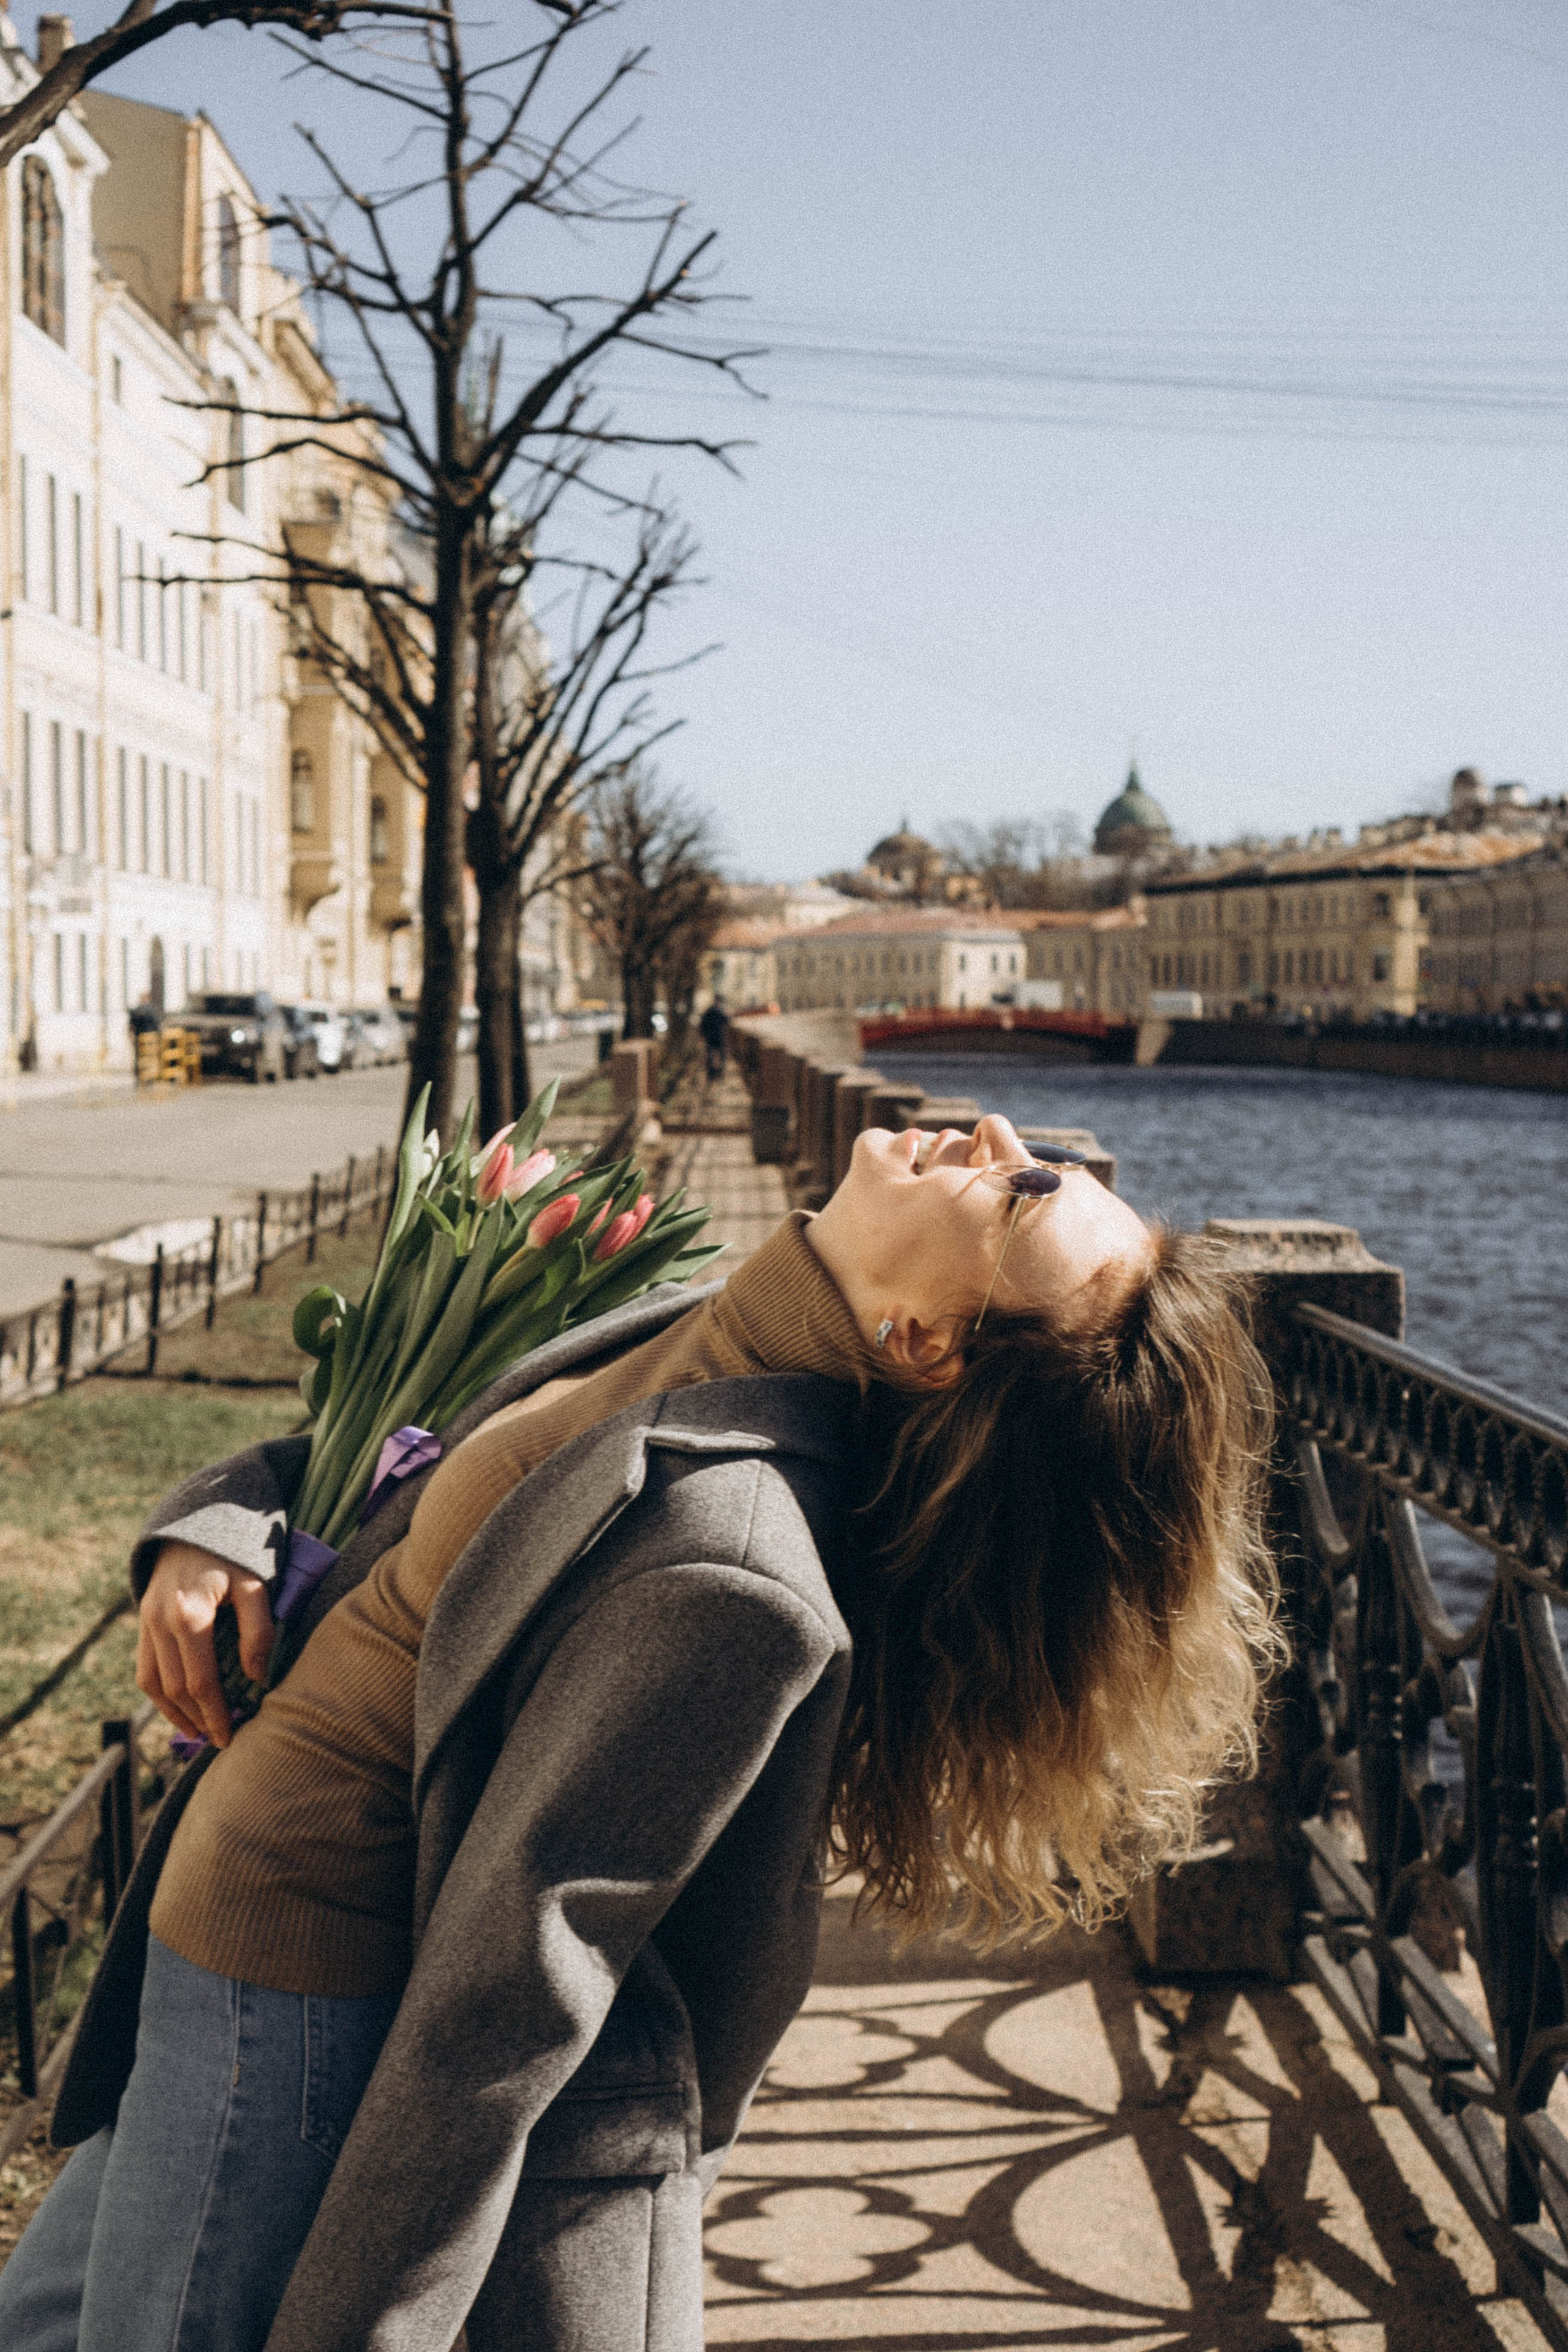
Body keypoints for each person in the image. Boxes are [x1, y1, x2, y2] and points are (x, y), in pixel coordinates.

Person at [0, 1116, 1281, 2352]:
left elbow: (501, 2018)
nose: (993, 1132)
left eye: (1021, 1194)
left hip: (280, 1999)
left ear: (922, 1339)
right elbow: (402, 1472)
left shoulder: (732, 1566)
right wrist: (217, 1526)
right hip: (211, 1938)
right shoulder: (705, 1325)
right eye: (1039, 1159)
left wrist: (361, 2332)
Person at [698, 993, 729, 1080]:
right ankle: (720, 1072)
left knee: (710, 1054)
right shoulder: (719, 1011)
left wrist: (704, 1035)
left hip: (709, 1037)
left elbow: (702, 1024)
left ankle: (711, 1073)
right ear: (720, 1002)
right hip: (718, 1037)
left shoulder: (708, 1011)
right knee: (722, 1054)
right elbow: (727, 1021)